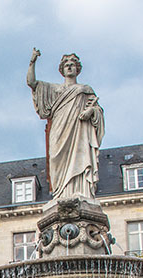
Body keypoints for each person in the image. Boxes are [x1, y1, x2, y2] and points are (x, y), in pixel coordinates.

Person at [28, 49, 105, 202]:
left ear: (78, 69)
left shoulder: (85, 90)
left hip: (79, 132)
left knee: (80, 156)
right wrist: (32, 61)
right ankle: (60, 193)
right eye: (66, 65)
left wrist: (91, 111)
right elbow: (31, 83)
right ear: (62, 70)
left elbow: (98, 111)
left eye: (72, 65)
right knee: (57, 161)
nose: (69, 67)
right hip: (59, 130)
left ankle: (81, 191)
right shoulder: (55, 90)